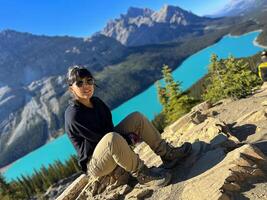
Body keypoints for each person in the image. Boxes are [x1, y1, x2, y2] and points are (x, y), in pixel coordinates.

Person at [64, 65, 192, 194]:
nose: (86, 86)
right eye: (79, 83)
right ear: (71, 89)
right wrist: (127, 139)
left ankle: (167, 154)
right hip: (96, 164)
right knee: (111, 139)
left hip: (110, 144)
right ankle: (143, 175)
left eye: (89, 81)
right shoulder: (74, 115)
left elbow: (109, 128)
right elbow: (100, 138)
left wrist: (126, 139)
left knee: (136, 118)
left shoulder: (96, 102)